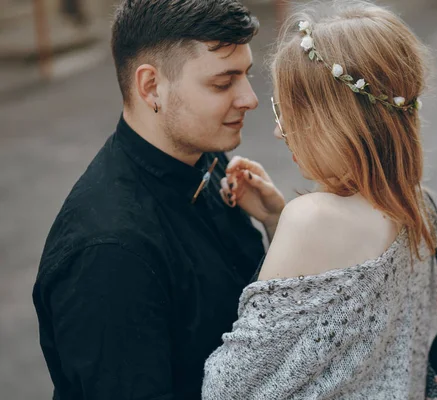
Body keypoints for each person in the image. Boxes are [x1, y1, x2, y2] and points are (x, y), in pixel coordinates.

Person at [32, 1, 286, 399]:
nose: (250, 99)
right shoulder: (109, 255)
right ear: (151, 87)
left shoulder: (207, 158)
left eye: (246, 76)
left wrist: (276, 224)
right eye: (224, 82)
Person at [202, 1, 437, 399]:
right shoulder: (420, 208)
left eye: (290, 111)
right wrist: (277, 220)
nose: (280, 131)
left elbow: (227, 390)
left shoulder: (313, 220)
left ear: (337, 117)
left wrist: (292, 224)